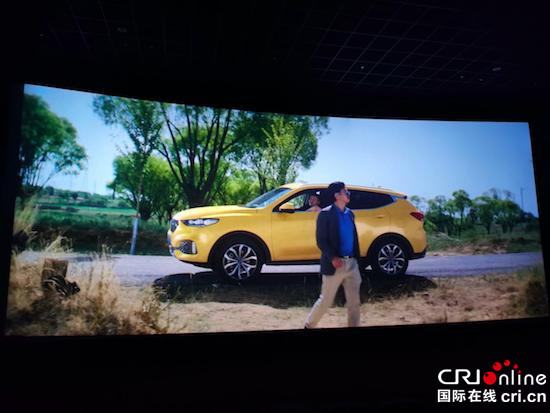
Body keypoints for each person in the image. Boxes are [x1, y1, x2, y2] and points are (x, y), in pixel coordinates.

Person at [304, 182, 363, 328]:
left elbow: (354, 238)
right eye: (345, 192)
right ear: (337, 196)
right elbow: (321, 240)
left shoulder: (350, 214)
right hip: (334, 265)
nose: (348, 194)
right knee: (326, 301)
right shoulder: (325, 214)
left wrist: (357, 259)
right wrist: (332, 257)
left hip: (352, 264)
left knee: (354, 302)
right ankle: (309, 325)